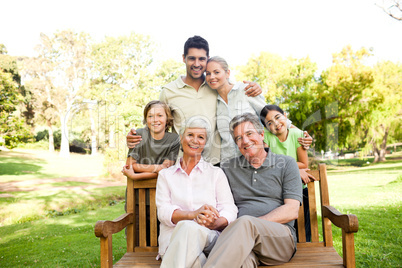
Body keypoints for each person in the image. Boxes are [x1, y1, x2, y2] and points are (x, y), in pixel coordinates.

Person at [126, 36, 262, 165]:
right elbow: (159, 125)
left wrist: (255, 87)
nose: (197, 64)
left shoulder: (215, 86)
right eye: (192, 58)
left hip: (216, 164)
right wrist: (137, 137)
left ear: (207, 59)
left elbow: (233, 90)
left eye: (201, 59)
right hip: (183, 164)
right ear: (184, 58)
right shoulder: (169, 91)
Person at [203, 113, 302, 267]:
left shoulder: (287, 164)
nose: (245, 141)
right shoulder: (228, 167)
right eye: (238, 138)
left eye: (249, 134)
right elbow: (200, 173)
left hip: (279, 239)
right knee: (243, 263)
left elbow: (291, 210)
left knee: (245, 224)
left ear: (262, 134)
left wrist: (249, 225)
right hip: (242, 241)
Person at [156, 116, 237, 268]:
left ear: (205, 143)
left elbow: (229, 208)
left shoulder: (215, 173)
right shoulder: (165, 175)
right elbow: (163, 212)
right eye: (190, 135)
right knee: (196, 259)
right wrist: (193, 214)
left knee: (187, 228)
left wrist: (215, 223)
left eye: (201, 137)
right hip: (173, 241)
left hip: (208, 237)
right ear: (181, 138)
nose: (195, 140)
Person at [121, 100, 180, 244]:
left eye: (160, 115)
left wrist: (137, 174)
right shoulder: (139, 135)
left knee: (161, 241)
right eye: (150, 116)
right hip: (136, 200)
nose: (155, 120)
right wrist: (157, 168)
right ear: (145, 119)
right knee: (137, 239)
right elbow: (130, 165)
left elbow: (166, 169)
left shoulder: (174, 139)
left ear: (167, 119)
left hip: (162, 199)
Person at [260, 104, 316, 242]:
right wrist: (295, 169)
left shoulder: (297, 134)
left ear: (285, 116)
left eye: (278, 117)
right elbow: (267, 163)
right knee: (282, 227)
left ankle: (305, 248)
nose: (276, 124)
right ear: (266, 128)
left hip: (299, 188)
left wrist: (291, 169)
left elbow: (304, 164)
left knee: (304, 228)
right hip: (277, 190)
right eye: (270, 123)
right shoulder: (266, 137)